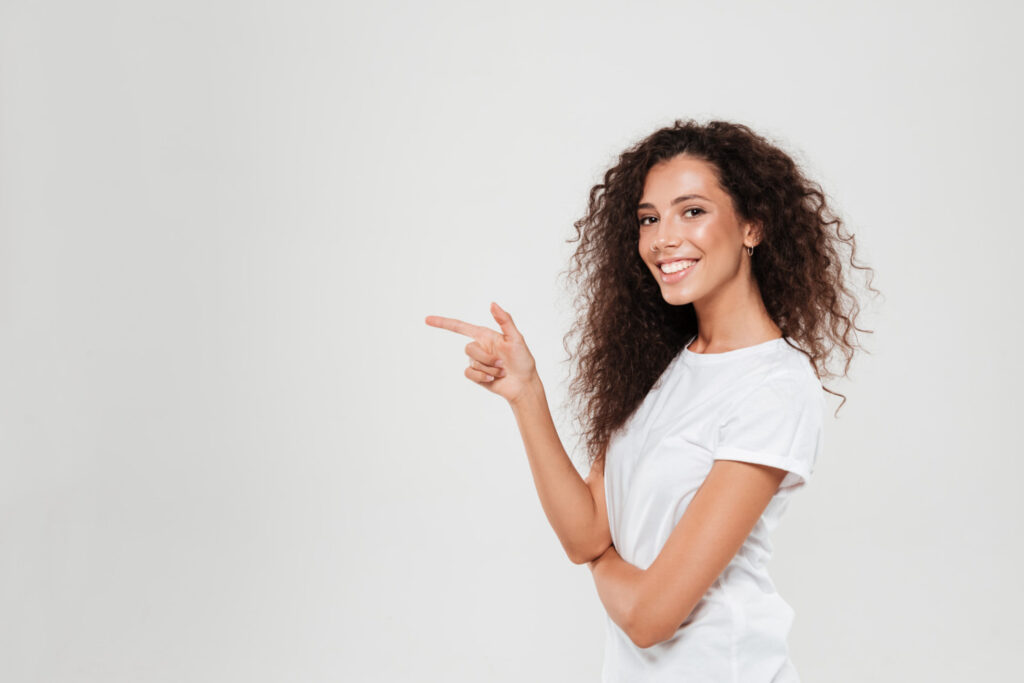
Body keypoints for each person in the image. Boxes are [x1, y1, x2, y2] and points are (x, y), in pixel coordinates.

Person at [425, 119, 876, 682]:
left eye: (692, 211)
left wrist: (601, 560)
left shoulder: (774, 387)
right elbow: (586, 533)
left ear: (753, 225)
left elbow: (648, 617)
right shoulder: (657, 368)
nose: (663, 238)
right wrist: (526, 394)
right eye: (649, 219)